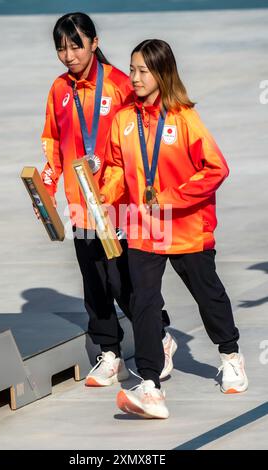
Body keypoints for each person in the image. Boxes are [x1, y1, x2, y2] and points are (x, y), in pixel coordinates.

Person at [101, 39, 248, 419]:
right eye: (131, 69)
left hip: (186, 226)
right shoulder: (123, 120)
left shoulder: (184, 118)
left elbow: (216, 168)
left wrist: (172, 197)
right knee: (144, 302)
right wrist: (105, 194)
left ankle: (230, 354)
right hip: (143, 227)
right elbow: (117, 167)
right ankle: (150, 385)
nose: (133, 78)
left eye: (142, 71)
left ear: (162, 73)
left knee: (208, 294)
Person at [34, 14, 173, 388]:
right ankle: (110, 352)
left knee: (123, 279)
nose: (68, 55)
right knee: (93, 281)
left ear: (95, 43)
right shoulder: (59, 90)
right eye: (61, 47)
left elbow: (144, 139)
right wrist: (46, 189)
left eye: (76, 45)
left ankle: (159, 336)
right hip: (82, 203)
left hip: (120, 202)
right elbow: (53, 146)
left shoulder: (120, 84)